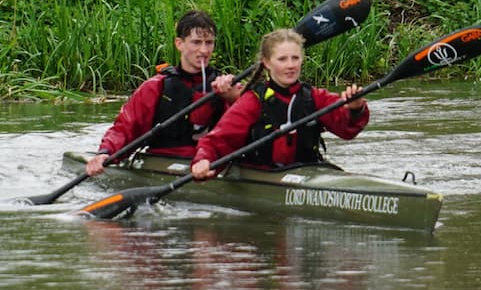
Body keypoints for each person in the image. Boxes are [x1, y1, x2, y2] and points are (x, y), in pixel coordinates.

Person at [190, 28, 368, 180]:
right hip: (265, 178)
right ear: (267, 63)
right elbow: (218, 140)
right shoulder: (252, 101)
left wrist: (355, 108)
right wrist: (203, 160)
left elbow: (347, 130)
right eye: (282, 59)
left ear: (302, 59)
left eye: (295, 58)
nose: (291, 65)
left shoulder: (314, 97)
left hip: (309, 173)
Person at [85, 10, 242, 176]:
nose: (204, 50)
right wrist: (106, 152)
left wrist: (234, 99)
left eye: (209, 43)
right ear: (179, 44)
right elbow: (125, 128)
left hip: (210, 163)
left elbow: (246, 124)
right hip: (162, 160)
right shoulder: (155, 87)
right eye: (196, 42)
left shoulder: (227, 86)